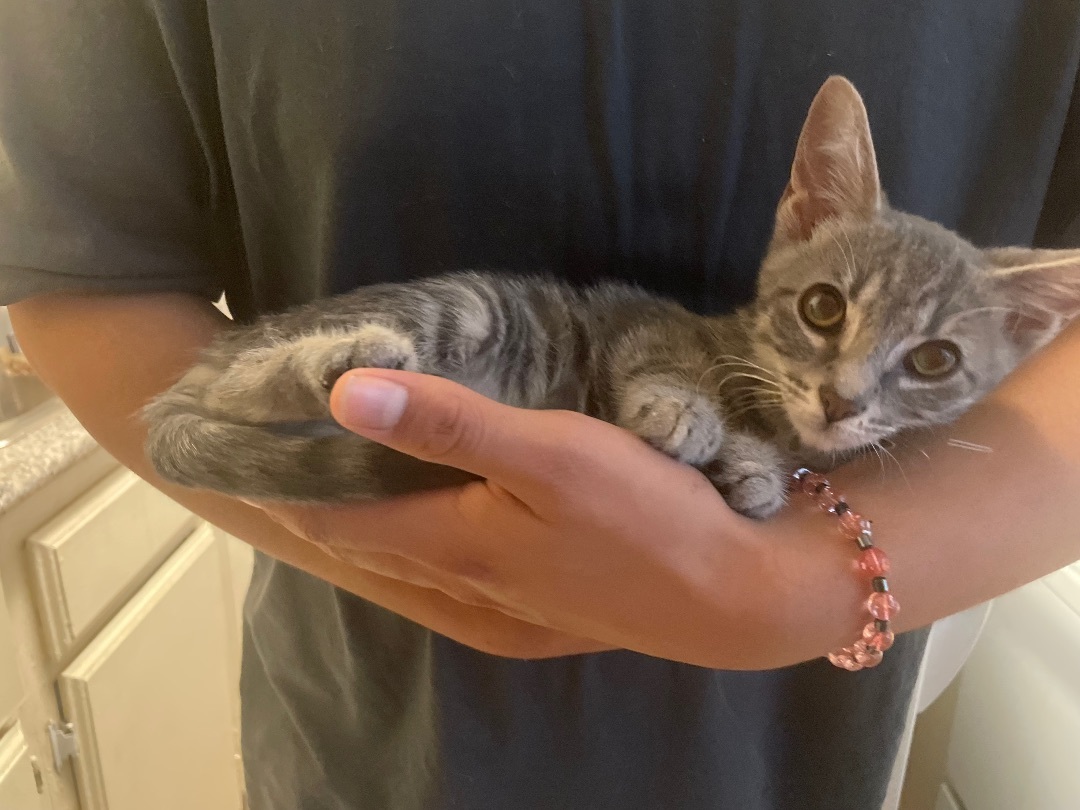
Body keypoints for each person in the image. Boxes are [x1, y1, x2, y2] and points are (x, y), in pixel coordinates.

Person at [2, 2, 1079, 808]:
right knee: (457, 326)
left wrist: (789, 585)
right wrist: (363, 532)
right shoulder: (724, 345)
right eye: (834, 317)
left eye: (925, 363)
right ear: (805, 219)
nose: (848, 390)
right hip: (381, 723)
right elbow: (79, 263)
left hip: (780, 758)